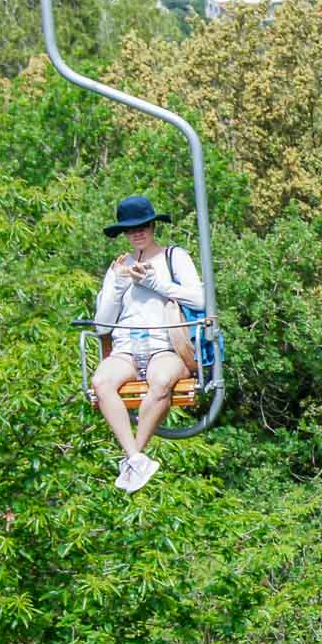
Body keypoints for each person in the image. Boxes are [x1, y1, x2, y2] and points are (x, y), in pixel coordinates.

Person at [89, 195, 205, 493]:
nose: (136, 234)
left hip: (164, 345)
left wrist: (157, 284)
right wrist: (117, 286)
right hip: (127, 347)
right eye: (129, 230)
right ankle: (136, 458)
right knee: (101, 382)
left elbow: (200, 299)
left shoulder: (173, 257)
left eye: (142, 227)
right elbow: (102, 324)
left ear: (153, 226)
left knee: (162, 379)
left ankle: (132, 458)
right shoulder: (119, 267)